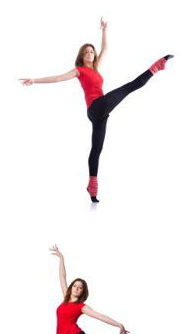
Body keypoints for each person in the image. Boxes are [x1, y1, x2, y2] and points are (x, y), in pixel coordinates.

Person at [20, 18, 172, 202]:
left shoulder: (96, 69)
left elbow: (105, 49)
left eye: (92, 51)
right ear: (82, 56)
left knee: (96, 149)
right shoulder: (79, 70)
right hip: (96, 106)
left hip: (100, 113)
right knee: (129, 87)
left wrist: (104, 31)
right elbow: (58, 78)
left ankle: (92, 188)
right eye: (86, 52)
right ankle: (157, 66)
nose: (90, 54)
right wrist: (35, 80)